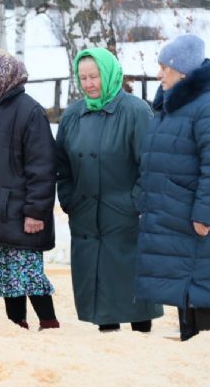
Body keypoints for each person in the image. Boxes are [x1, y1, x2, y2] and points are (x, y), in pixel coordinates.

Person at [135, 35, 210, 341]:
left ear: (183, 71)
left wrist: (206, 215)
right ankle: (191, 348)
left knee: (204, 287)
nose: (158, 73)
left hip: (196, 221)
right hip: (173, 217)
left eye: (164, 67)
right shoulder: (172, 107)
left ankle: (208, 357)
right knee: (183, 288)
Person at [56, 47, 163, 332]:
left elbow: (152, 166)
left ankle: (143, 349)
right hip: (86, 217)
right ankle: (108, 357)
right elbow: (61, 166)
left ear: (109, 74)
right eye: (83, 78)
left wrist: (136, 203)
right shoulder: (73, 116)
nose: (89, 84)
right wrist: (70, 200)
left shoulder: (136, 111)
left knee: (133, 295)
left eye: (94, 76)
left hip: (126, 218)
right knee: (100, 298)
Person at [0, 48, 60, 330]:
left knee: (28, 276)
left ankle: (49, 324)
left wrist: (35, 212)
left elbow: (42, 168)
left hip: (22, 215)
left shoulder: (29, 112)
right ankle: (16, 328)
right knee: (9, 280)